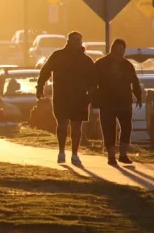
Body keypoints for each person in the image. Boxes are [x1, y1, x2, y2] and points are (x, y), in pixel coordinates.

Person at [36, 31, 96, 166]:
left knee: (76, 126)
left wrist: (91, 95)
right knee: (62, 125)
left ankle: (75, 154)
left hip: (80, 98)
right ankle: (61, 151)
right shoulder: (58, 56)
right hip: (61, 96)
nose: (77, 43)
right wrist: (40, 86)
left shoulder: (86, 60)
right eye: (74, 40)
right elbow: (45, 70)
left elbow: (93, 79)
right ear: (68, 41)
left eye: (79, 40)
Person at [94, 39, 142, 166]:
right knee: (109, 129)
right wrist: (94, 99)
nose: (119, 53)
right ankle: (111, 156)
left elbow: (135, 81)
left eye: (122, 51)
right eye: (117, 50)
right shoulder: (101, 64)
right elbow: (93, 83)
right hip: (106, 102)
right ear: (112, 50)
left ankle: (123, 155)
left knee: (127, 127)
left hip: (124, 101)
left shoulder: (127, 65)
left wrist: (138, 96)